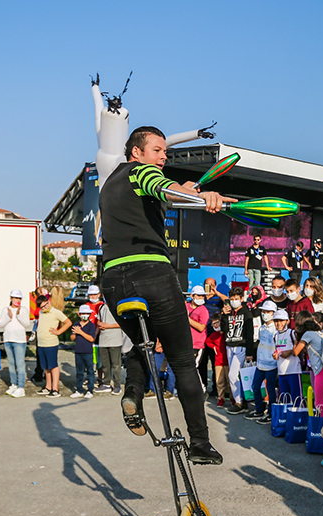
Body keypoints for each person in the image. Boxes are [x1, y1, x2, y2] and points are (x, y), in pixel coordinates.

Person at [98, 125, 233, 465]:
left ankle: (132, 393)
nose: (164, 157)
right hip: (151, 274)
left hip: (113, 279)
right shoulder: (141, 172)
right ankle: (200, 444)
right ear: (136, 153)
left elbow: (161, 193)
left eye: (165, 151)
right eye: (157, 150)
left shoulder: (111, 184)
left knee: (142, 346)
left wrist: (186, 190)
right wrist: (200, 197)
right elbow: (163, 188)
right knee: (184, 362)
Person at [291, 310, 323, 425]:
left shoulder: (307, 334)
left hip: (321, 370)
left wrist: (296, 339)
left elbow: (296, 352)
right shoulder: (318, 332)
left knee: (319, 403)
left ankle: (319, 430)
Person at [221, 287, 255, 415]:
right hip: (229, 344)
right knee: (234, 374)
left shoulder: (246, 312)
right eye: (232, 299)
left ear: (242, 299)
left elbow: (250, 333)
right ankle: (241, 401)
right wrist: (223, 315)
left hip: (241, 346)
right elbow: (224, 329)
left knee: (233, 375)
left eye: (237, 299)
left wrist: (249, 352)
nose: (234, 301)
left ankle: (239, 402)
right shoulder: (228, 312)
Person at [247, 300, 279, 424]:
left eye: (268, 312)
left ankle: (271, 413)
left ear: (274, 313)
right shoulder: (262, 327)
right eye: (263, 311)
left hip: (271, 365)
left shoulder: (275, 329)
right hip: (260, 364)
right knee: (255, 385)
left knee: (270, 390)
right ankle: (259, 410)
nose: (265, 314)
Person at [35, 295, 71, 397]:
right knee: (46, 367)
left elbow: (68, 322)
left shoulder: (56, 312)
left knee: (53, 366)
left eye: (46, 304)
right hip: (41, 343)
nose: (45, 307)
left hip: (51, 343)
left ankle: (55, 389)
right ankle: (48, 386)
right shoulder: (41, 313)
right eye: (42, 307)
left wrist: (59, 332)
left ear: (48, 301)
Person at [0, 290, 31, 398]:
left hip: (20, 341)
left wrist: (18, 315)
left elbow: (26, 324)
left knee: (20, 364)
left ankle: (21, 387)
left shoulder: (24, 310)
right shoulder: (5, 310)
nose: (17, 300)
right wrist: (9, 316)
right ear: (11, 298)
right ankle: (13, 384)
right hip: (8, 339)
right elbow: (1, 324)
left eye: (19, 298)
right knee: (11, 364)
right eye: (15, 298)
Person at [94, 294, 124, 395]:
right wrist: (99, 324)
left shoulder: (117, 307)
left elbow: (122, 324)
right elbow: (99, 320)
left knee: (116, 364)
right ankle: (106, 383)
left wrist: (108, 326)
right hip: (103, 340)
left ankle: (117, 385)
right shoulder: (101, 307)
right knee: (105, 364)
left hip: (115, 340)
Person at [272, 309, 301, 400]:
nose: (278, 323)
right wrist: (275, 355)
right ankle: (287, 414)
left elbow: (299, 348)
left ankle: (297, 414)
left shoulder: (292, 333)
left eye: (281, 320)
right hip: (281, 372)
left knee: (296, 397)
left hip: (293, 371)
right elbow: (275, 350)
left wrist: (289, 351)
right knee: (284, 398)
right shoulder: (275, 336)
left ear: (287, 321)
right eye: (276, 321)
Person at [70, 304, 97, 398]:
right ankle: (79, 390)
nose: (85, 315)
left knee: (90, 371)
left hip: (88, 352)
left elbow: (91, 339)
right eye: (83, 313)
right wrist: (75, 332)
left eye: (87, 313)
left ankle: (90, 390)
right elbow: (72, 338)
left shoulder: (91, 326)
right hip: (78, 351)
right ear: (79, 314)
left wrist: (80, 332)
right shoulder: (76, 324)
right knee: (79, 372)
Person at [206, 316, 230, 408]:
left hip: (227, 360)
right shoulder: (214, 335)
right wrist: (214, 347)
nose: (215, 326)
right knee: (219, 381)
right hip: (218, 361)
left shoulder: (226, 333)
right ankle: (221, 398)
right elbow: (208, 341)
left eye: (217, 323)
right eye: (213, 324)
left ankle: (232, 398)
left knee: (229, 381)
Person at [186, 286, 210, 362]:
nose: (201, 298)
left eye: (202, 296)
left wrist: (188, 319)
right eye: (198, 295)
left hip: (196, 345)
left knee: (193, 368)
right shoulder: (185, 307)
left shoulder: (203, 310)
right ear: (192, 296)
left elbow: (201, 327)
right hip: (185, 344)